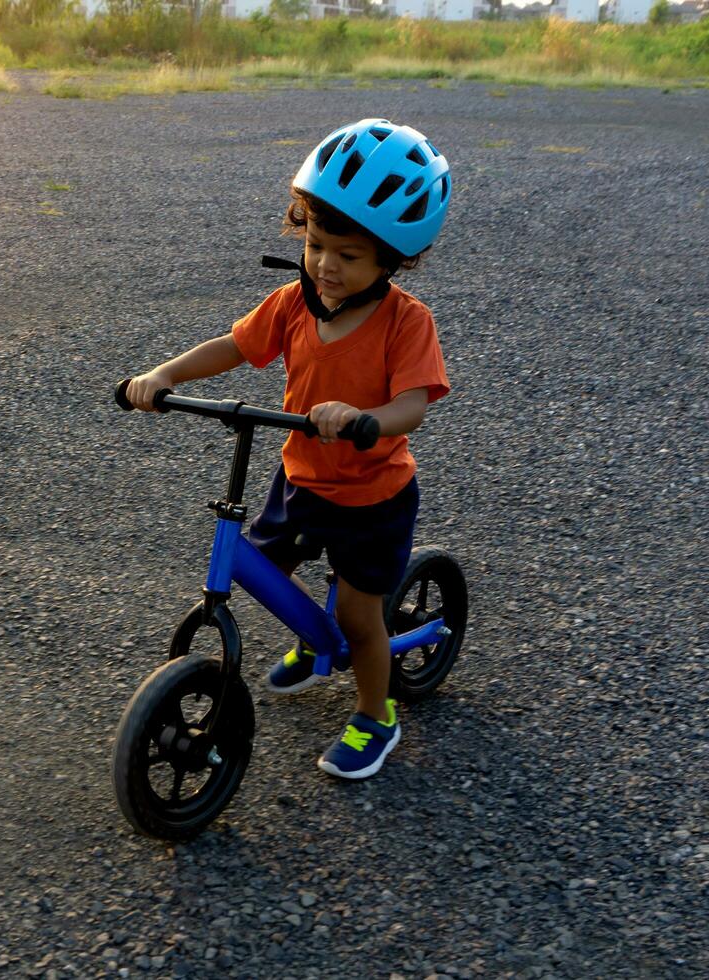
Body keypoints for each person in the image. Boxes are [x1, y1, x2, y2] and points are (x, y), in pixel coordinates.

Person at [125, 118, 452, 780]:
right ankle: (312, 637)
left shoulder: (406, 322)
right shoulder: (293, 303)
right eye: (316, 243)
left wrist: (366, 418)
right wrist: (164, 377)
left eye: (349, 256)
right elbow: (234, 346)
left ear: (392, 257)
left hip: (372, 498)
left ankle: (374, 715)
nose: (326, 265)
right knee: (266, 572)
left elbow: (414, 403)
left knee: (362, 621)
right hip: (302, 478)